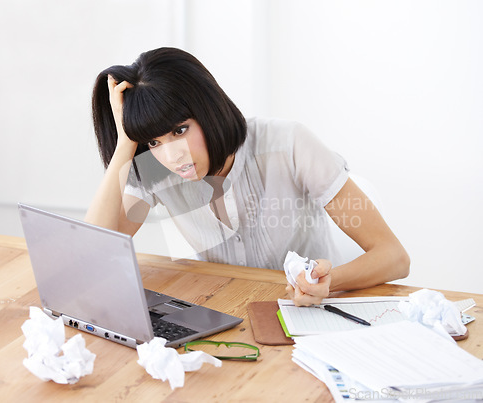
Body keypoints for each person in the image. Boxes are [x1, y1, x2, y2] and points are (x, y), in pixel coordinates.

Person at [85, 47, 410, 306]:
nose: (172, 156)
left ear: (207, 109)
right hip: (228, 311)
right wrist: (126, 145)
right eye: (154, 142)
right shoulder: (157, 168)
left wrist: (327, 283)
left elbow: (394, 258)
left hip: (309, 316)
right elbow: (94, 251)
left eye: (180, 130)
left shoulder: (288, 144)